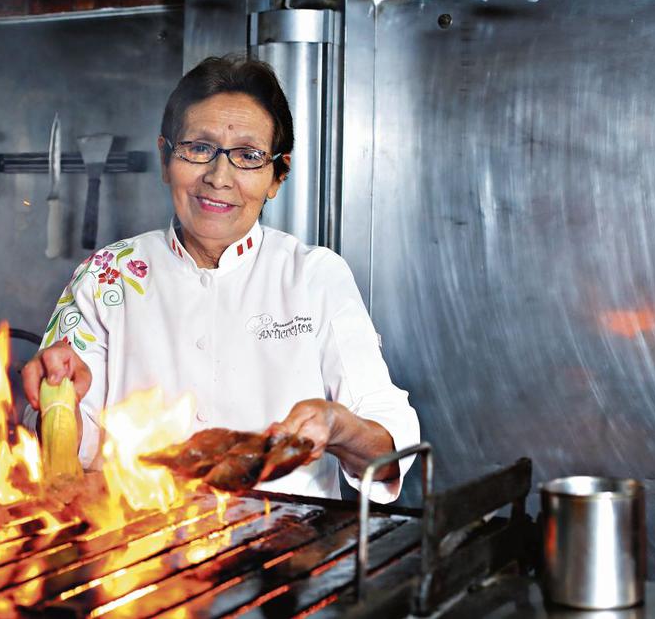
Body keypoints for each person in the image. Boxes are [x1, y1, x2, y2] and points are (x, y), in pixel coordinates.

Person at [22, 56, 419, 501]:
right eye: (198, 148)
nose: (218, 177)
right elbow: (66, 455)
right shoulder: (105, 275)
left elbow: (390, 442)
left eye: (248, 156)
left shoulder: (314, 275)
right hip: (133, 554)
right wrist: (60, 396)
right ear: (165, 158)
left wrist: (338, 426)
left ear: (277, 175)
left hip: (286, 553)